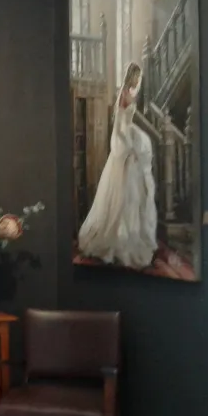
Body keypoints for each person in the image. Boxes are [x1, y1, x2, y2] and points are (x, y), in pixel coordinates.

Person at [77, 62, 158, 268]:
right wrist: (128, 146)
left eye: (139, 77)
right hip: (124, 140)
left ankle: (132, 232)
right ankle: (118, 235)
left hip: (130, 135)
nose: (138, 80)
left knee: (133, 193)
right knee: (123, 191)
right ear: (131, 76)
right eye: (137, 76)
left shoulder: (130, 93)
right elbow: (120, 125)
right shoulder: (124, 95)